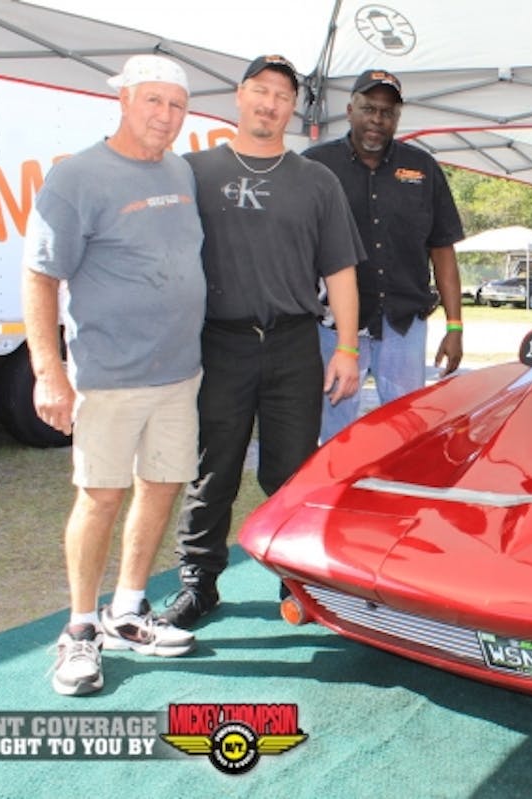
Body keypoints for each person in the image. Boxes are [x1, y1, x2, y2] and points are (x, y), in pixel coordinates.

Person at [160, 55, 364, 628]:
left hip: (293, 344)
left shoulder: (316, 181)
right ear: (239, 96)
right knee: (213, 469)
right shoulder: (192, 171)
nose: (270, 103)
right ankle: (199, 585)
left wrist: (346, 348)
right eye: (261, 90)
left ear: (292, 109)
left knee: (291, 472)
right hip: (219, 343)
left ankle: (295, 582)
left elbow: (341, 272)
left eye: (282, 95)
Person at [22, 55, 203, 696]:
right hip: (108, 376)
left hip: (181, 373)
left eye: (177, 105)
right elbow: (41, 276)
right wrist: (50, 372)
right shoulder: (78, 177)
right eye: (153, 101)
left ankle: (127, 612)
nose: (166, 116)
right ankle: (77, 632)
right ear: (124, 99)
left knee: (160, 487)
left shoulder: (179, 169)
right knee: (100, 496)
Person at [302, 69, 465, 442]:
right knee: (333, 434)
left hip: (403, 326)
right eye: (368, 108)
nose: (377, 119)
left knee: (407, 434)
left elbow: (443, 250)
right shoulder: (314, 166)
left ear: (398, 118)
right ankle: (335, 497)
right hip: (334, 328)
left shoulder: (423, 169)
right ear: (349, 110)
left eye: (387, 112)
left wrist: (454, 326)